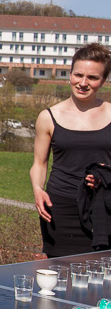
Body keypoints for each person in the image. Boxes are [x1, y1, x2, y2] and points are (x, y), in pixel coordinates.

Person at [31, 42, 111, 257]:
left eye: (92, 77)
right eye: (78, 75)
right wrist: (38, 189)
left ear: (103, 81)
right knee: (60, 272)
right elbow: (39, 163)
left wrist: (106, 177)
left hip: (105, 209)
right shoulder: (48, 117)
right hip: (60, 209)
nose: (83, 83)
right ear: (70, 74)